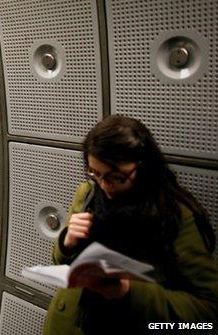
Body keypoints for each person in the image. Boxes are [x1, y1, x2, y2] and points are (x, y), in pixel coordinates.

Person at [43, 115, 218, 334]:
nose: (105, 185)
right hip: (68, 325)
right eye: (95, 173)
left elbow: (207, 312)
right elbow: (60, 260)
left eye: (116, 177)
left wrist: (129, 291)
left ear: (144, 167)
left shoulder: (176, 216)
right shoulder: (88, 193)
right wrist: (66, 243)